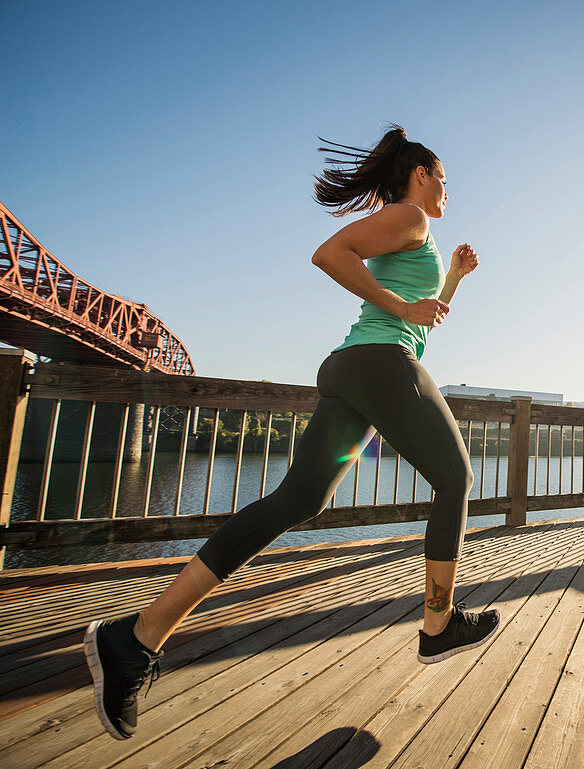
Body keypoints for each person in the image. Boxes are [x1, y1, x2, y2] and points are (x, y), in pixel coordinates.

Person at [82, 124, 499, 741]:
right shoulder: (412, 216)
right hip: (379, 364)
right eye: (443, 178)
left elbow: (418, 323)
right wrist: (405, 307)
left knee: (296, 501)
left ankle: (137, 636)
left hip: (362, 368)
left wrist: (451, 282)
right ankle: (438, 628)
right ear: (419, 175)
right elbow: (330, 255)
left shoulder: (411, 232)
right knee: (456, 477)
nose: (446, 190)